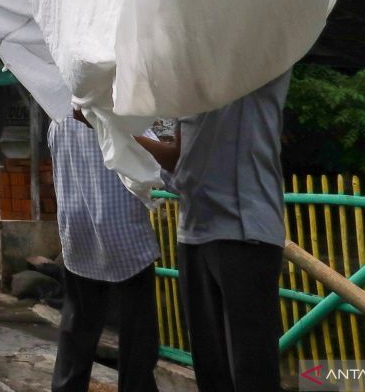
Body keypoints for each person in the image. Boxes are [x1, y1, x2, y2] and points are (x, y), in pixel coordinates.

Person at [135, 71, 292, 392]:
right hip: (193, 233)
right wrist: (108, 126)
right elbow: (175, 156)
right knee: (210, 368)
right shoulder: (181, 84)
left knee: (251, 370)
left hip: (244, 233)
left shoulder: (255, 60)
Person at [49, 115, 159, 392]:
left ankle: (66, 387)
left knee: (77, 327)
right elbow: (159, 170)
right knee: (137, 331)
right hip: (124, 234)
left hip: (76, 232)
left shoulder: (57, 121)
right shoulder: (120, 117)